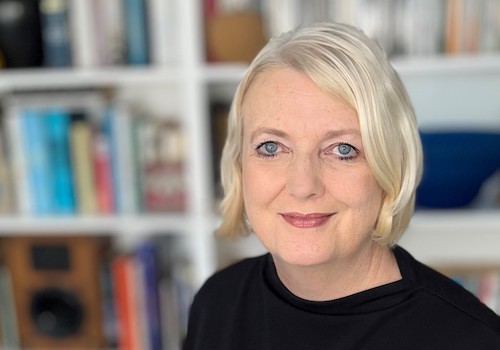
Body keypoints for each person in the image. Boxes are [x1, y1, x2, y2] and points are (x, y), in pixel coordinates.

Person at [183, 22, 500, 349]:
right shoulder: (217, 303)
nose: (303, 185)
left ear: (389, 166)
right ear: (239, 164)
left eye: (342, 150)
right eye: (271, 147)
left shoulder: (471, 339)